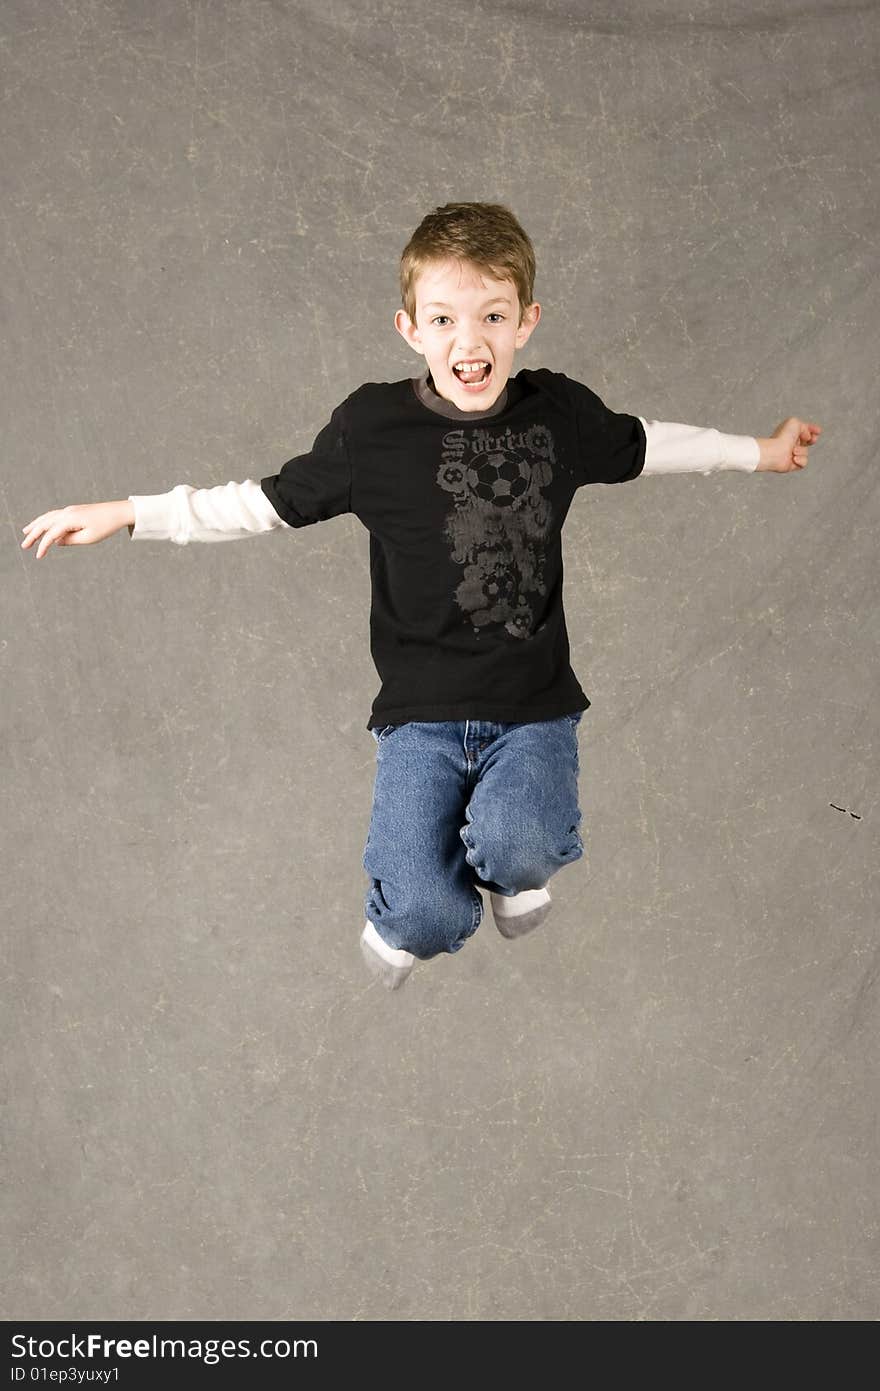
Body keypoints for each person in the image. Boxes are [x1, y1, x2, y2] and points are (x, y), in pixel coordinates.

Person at [20, 201, 822, 991]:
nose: (468, 342)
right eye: (442, 320)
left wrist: (764, 451)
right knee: (425, 919)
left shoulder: (558, 417)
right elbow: (261, 504)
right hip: (420, 722)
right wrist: (130, 514)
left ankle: (512, 870)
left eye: (491, 317)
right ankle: (411, 913)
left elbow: (654, 445)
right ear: (410, 330)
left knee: (523, 842)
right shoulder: (372, 431)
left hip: (533, 709)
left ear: (526, 321)